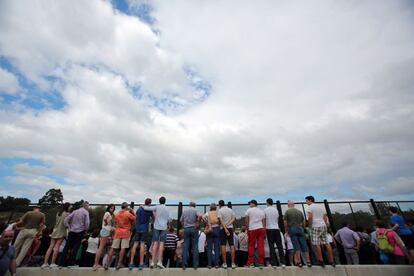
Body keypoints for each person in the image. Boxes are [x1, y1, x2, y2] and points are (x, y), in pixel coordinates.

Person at [305, 196, 335, 267]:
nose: (306, 202)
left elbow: (310, 217)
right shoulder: (321, 206)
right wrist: (325, 224)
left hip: (315, 225)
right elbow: (325, 217)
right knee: (327, 243)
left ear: (310, 200)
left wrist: (310, 225)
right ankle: (332, 261)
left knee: (317, 243)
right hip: (323, 225)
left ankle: (320, 260)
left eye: (306, 200)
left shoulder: (310, 207)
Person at [143, 196, 171, 268]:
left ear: (159, 201)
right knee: (161, 244)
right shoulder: (167, 208)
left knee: (155, 243)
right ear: (165, 201)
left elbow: (147, 208)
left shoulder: (157, 207)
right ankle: (159, 262)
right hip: (164, 227)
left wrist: (141, 206)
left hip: (156, 227)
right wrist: (167, 222)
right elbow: (170, 219)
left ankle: (152, 262)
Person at [106, 202, 135, 270]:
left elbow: (115, 222)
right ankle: (119, 264)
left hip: (117, 232)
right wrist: (132, 211)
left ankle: (107, 264)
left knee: (113, 248)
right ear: (126, 207)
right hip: (125, 233)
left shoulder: (117, 214)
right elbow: (135, 218)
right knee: (123, 248)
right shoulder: (128, 214)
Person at [60, 201, 90, 267]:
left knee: (66, 247)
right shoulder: (86, 212)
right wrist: (85, 230)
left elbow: (65, 220)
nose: (88, 207)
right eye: (88, 206)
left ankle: (61, 263)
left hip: (72, 231)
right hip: (80, 232)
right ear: (85, 206)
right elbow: (87, 223)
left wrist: (69, 227)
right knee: (75, 248)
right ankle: (71, 263)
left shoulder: (75, 211)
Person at [42, 202, 71, 269]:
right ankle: (52, 263)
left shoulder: (58, 213)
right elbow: (67, 223)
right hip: (61, 231)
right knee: (57, 247)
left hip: (55, 231)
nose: (70, 208)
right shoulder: (67, 214)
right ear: (67, 207)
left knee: (50, 247)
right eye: (70, 206)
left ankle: (45, 263)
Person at [284, 200, 311, 267]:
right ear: (294, 205)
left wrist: (286, 230)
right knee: (304, 244)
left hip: (292, 229)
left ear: (288, 205)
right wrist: (303, 228)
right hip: (300, 228)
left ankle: (299, 262)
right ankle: (308, 261)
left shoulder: (287, 211)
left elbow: (285, 222)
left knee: (296, 246)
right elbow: (304, 221)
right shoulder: (299, 212)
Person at [129, 198, 153, 270]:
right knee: (142, 245)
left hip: (137, 228)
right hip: (144, 229)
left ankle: (131, 263)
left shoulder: (139, 209)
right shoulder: (149, 210)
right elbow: (153, 217)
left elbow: (136, 217)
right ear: (149, 203)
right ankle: (141, 263)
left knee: (135, 244)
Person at [264, 198, 285, 268]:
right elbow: (277, 219)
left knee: (271, 246)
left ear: (267, 203)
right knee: (280, 246)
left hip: (269, 229)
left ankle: (273, 263)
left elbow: (264, 220)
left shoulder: (265, 210)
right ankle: (283, 262)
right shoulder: (276, 210)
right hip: (276, 228)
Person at [93, 204, 115, 270]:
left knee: (101, 247)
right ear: (108, 208)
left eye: (113, 208)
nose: (112, 209)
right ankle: (95, 264)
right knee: (101, 248)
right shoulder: (107, 213)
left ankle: (96, 264)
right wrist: (106, 223)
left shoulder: (109, 214)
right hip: (105, 231)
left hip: (105, 230)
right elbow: (105, 220)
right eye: (111, 208)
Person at [180, 201, 202, 269]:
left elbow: (181, 220)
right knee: (195, 247)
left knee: (185, 247)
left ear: (189, 205)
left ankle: (184, 264)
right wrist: (198, 222)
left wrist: (184, 225)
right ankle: (195, 265)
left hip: (186, 229)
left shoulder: (185, 210)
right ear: (194, 206)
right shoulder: (195, 210)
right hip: (194, 229)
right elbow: (200, 215)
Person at [245, 200, 265, 268]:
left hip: (252, 229)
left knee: (251, 246)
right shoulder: (261, 211)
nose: (249, 205)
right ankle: (261, 263)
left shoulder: (249, 210)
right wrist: (264, 230)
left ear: (253, 204)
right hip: (261, 228)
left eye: (250, 203)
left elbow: (247, 221)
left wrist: (247, 229)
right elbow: (264, 222)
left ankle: (250, 263)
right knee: (261, 245)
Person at [217, 200, 236, 269]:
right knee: (231, 245)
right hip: (230, 228)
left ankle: (224, 263)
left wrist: (225, 228)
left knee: (223, 245)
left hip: (223, 229)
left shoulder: (220, 211)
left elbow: (221, 221)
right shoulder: (230, 210)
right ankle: (233, 263)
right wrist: (228, 225)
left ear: (219, 205)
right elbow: (233, 218)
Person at [203, 203, 221, 268]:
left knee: (209, 248)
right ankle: (217, 264)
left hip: (210, 229)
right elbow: (220, 220)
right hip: (217, 229)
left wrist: (207, 223)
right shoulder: (217, 213)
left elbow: (203, 217)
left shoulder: (208, 213)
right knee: (216, 248)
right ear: (215, 207)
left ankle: (209, 264)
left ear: (210, 207)